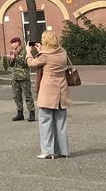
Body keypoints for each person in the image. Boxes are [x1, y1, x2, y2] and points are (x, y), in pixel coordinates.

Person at [27, 30, 72, 159]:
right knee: (60, 121)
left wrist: (29, 52)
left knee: (45, 120)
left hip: (48, 90)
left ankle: (48, 151)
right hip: (62, 89)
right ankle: (63, 150)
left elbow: (32, 63)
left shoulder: (44, 55)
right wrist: (42, 49)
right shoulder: (63, 52)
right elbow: (53, 53)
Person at [6, 37, 36, 122]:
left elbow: (25, 63)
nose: (12, 45)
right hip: (15, 78)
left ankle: (32, 113)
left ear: (18, 43)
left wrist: (17, 56)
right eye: (11, 43)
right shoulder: (13, 51)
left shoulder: (25, 51)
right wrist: (12, 58)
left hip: (24, 77)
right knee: (16, 96)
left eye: (13, 43)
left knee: (28, 96)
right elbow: (10, 65)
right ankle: (20, 113)